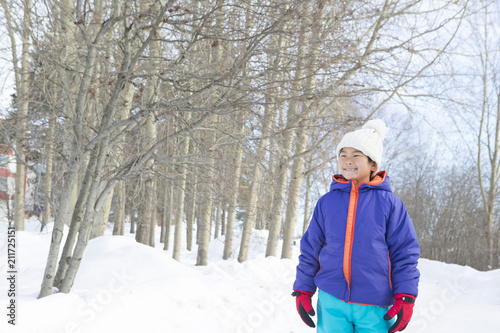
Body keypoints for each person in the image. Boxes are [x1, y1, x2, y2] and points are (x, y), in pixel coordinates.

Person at [292, 119, 420, 333]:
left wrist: (406, 295)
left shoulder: (390, 204)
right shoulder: (327, 202)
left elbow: (404, 252)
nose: (347, 160)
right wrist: (303, 289)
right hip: (332, 300)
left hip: (374, 304)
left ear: (373, 164)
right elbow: (311, 249)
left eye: (356, 155)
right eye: (343, 155)